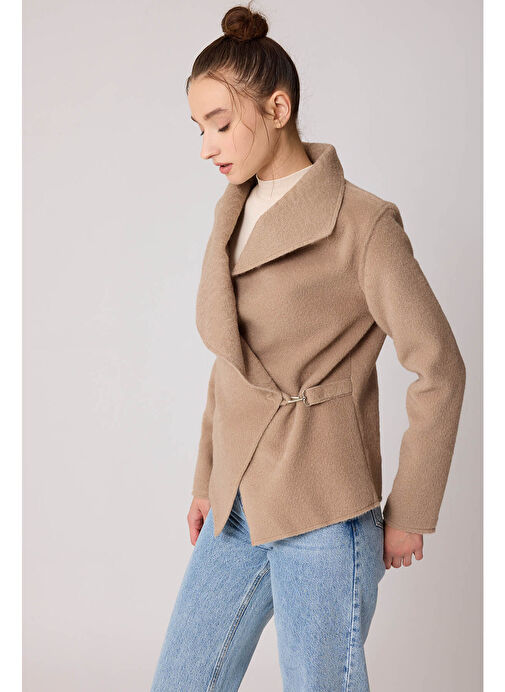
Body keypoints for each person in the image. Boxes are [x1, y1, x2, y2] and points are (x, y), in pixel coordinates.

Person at [150, 3, 466, 691]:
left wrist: (411, 509)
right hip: (237, 503)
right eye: (199, 128)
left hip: (324, 510)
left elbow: (439, 366)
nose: (206, 146)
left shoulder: (364, 223)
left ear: (277, 107)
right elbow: (231, 362)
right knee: (181, 680)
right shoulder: (231, 211)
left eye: (220, 124)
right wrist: (207, 479)